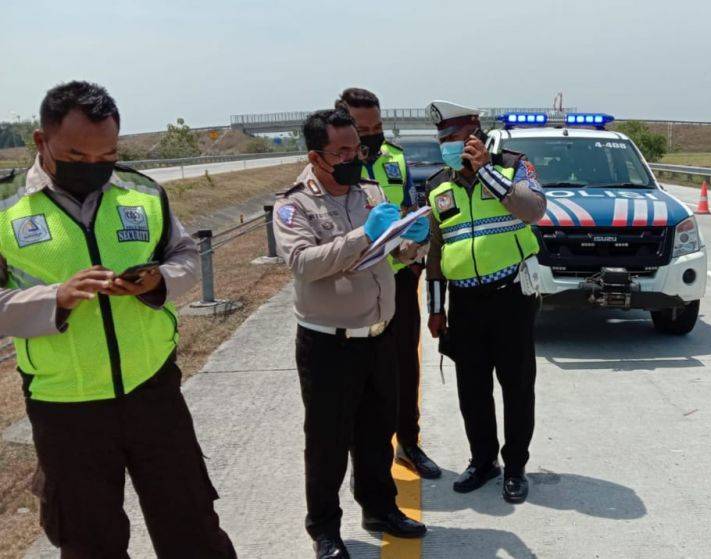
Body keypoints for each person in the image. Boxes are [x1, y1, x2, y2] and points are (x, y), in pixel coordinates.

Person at [0, 81, 235, 557]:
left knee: (192, 528)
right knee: (91, 542)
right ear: (41, 142)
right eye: (77, 155)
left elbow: (185, 253)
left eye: (105, 154)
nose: (92, 166)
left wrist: (160, 281)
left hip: (154, 392)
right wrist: (56, 299)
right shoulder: (6, 207)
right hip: (65, 406)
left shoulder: (142, 191)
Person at [273, 108, 429, 559]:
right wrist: (365, 234)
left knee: (377, 433)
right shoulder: (294, 204)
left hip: (378, 334)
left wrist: (411, 240)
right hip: (328, 342)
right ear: (316, 156)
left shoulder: (370, 191)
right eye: (340, 151)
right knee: (327, 441)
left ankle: (380, 508)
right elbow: (303, 264)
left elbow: (390, 252)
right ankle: (324, 528)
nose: (351, 158)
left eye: (355, 148)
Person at [423, 100, 547, 504]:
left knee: (516, 385)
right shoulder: (438, 185)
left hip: (510, 296)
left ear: (476, 136)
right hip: (464, 304)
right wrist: (437, 308)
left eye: (454, 138)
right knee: (471, 389)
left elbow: (534, 210)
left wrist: (486, 173)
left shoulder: (514, 167)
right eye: (442, 139)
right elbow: (436, 254)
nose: (448, 146)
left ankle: (515, 467)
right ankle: (482, 460)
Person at [336, 88, 440, 479]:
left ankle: (408, 444)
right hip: (352, 285)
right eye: (362, 128)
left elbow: (410, 206)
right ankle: (363, 454)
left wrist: (415, 247)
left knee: (404, 368)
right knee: (359, 376)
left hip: (396, 280)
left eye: (377, 126)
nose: (372, 134)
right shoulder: (335, 166)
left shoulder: (396, 158)